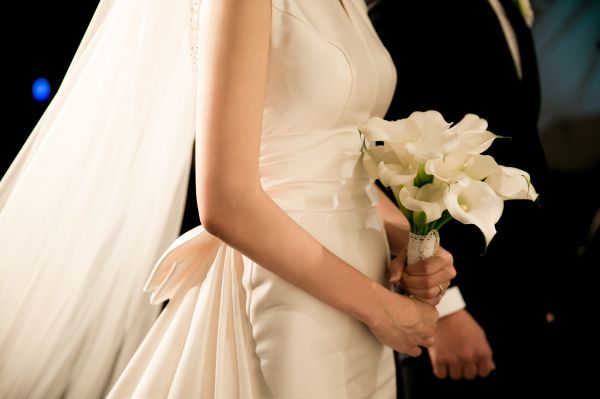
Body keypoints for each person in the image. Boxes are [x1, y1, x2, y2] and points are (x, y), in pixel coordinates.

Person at [0, 1, 457, 398]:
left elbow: (336, 162)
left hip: (364, 274)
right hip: (295, 284)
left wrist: (414, 243)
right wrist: (380, 309)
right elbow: (226, 201)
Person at [367, 0, 559, 398]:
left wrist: (542, 286)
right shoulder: (400, 11)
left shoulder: (504, 6)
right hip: (450, 298)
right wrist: (444, 312)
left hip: (518, 290)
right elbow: (379, 166)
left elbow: (523, 147)